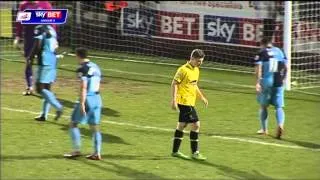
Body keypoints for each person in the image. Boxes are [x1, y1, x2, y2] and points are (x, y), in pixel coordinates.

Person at [64, 48, 103, 160]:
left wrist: (82, 103)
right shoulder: (96, 67)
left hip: (88, 98)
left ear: (78, 56)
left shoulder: (82, 69)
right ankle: (97, 153)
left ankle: (76, 150)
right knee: (95, 127)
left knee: (73, 123)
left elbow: (84, 86)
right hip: (97, 98)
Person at [171, 49, 208, 160]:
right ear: (192, 58)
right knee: (196, 125)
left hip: (191, 102)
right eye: (198, 61)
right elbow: (174, 84)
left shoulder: (196, 70)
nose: (200, 63)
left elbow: (194, 85)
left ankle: (175, 151)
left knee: (181, 125)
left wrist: (201, 97)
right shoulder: (182, 70)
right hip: (184, 102)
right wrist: (173, 100)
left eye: (201, 61)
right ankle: (195, 152)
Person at [14, 1, 56, 96]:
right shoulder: (24, 5)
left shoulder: (46, 4)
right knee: (29, 61)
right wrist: (17, 37)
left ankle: (45, 86)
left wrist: (54, 38)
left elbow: (52, 23)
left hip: (43, 39)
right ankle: (29, 86)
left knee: (44, 63)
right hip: (29, 39)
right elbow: (19, 23)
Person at [27, 25, 63, 121]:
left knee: (39, 89)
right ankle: (44, 115)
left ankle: (58, 107)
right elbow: (56, 48)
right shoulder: (52, 33)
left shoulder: (40, 30)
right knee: (47, 89)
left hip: (44, 63)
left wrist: (30, 57)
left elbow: (37, 46)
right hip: (52, 62)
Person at [254, 38, 287, 139]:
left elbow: (258, 69)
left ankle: (264, 129)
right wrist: (284, 79)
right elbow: (286, 67)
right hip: (279, 81)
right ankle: (280, 125)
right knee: (279, 107)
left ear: (262, 45)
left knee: (264, 106)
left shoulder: (261, 52)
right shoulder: (280, 51)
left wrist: (258, 83)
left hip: (267, 81)